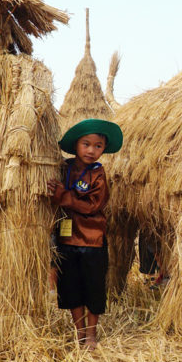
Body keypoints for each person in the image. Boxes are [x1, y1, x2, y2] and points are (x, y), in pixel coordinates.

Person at [47, 118, 123, 349]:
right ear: (76, 145)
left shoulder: (98, 174)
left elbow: (93, 206)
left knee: (93, 288)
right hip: (66, 239)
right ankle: (79, 332)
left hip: (92, 241)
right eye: (86, 144)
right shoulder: (63, 168)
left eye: (98, 146)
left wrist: (62, 196)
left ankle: (91, 334)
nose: (91, 150)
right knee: (71, 288)